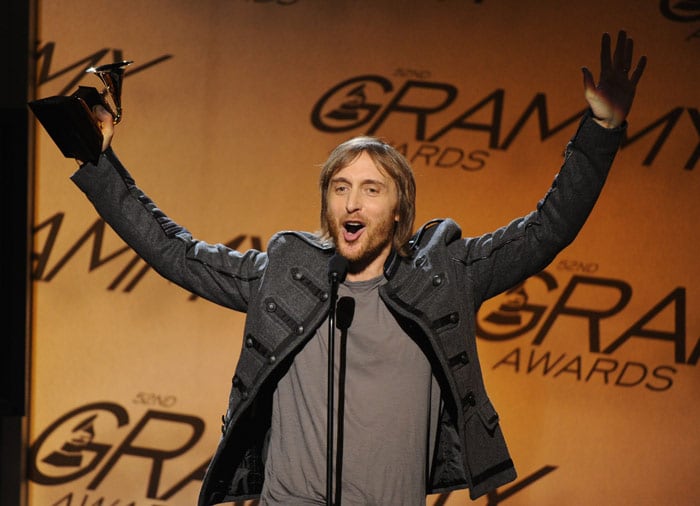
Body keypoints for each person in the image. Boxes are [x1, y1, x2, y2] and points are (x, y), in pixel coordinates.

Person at [72, 31, 645, 505]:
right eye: (340, 188)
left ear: (398, 208)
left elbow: (546, 230)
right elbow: (175, 250)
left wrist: (599, 134)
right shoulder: (286, 272)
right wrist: (99, 163)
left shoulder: (445, 273)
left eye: (371, 189)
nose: (352, 203)